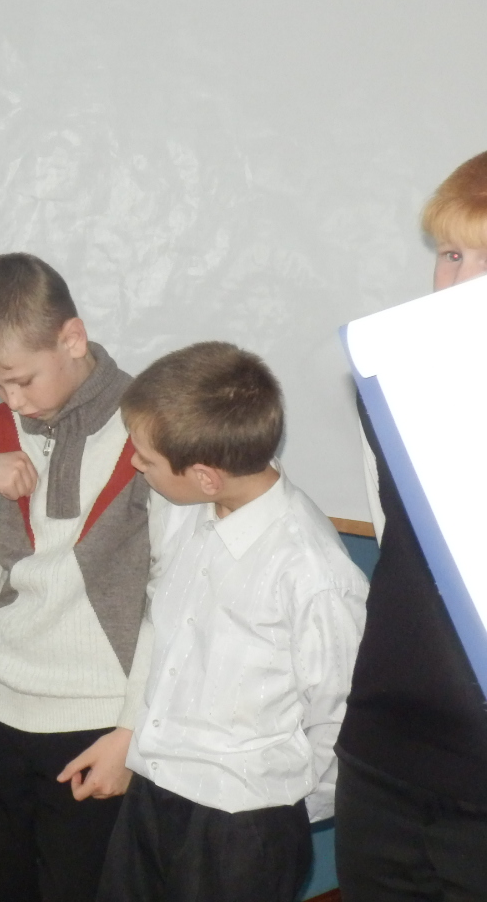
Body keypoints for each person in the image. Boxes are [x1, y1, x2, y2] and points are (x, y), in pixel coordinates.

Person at [98, 342, 368, 902]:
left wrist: (280, 811)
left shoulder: (312, 573)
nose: (135, 465)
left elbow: (341, 718)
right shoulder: (184, 510)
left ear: (205, 476)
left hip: (241, 823)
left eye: (145, 458)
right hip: (154, 793)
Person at [0, 252, 155, 902]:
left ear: (72, 339)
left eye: (21, 380)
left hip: (94, 723)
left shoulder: (151, 432)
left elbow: (171, 602)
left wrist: (130, 733)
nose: (12, 402)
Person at [334, 152, 487, 900]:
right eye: (450, 256)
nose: (457, 284)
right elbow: (396, 550)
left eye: (485, 261)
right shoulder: (391, 387)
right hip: (385, 754)